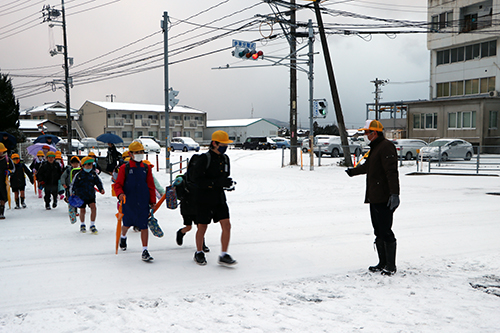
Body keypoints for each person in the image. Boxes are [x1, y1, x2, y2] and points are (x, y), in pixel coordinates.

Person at [345, 120, 400, 276]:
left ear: (374, 133)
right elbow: (368, 167)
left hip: (385, 197)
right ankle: (382, 262)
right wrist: (353, 171)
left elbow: (392, 172)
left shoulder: (386, 146)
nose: (364, 135)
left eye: (366, 132)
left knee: (385, 230)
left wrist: (395, 194)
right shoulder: (375, 147)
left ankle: (390, 265)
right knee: (378, 231)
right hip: (374, 197)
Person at [190, 130, 236, 266]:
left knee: (227, 225)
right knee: (202, 226)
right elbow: (196, 180)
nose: (225, 147)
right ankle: (199, 252)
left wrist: (227, 183)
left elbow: (224, 176)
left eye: (226, 144)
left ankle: (224, 254)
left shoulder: (225, 158)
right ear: (214, 144)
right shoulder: (204, 159)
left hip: (219, 198)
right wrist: (215, 183)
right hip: (203, 198)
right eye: (223, 144)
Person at [114, 141, 156, 262]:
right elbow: (118, 185)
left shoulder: (146, 168)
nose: (139, 154)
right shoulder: (124, 168)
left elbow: (151, 186)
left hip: (143, 202)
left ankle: (145, 250)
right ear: (130, 154)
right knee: (127, 224)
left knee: (144, 226)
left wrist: (152, 201)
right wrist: (120, 194)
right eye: (137, 152)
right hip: (129, 202)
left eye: (141, 152)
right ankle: (123, 236)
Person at [174, 174, 210, 252]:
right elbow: (180, 196)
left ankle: (202, 244)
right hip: (186, 207)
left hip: (197, 207)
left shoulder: (199, 179)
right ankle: (180, 232)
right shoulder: (183, 180)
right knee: (189, 227)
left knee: (200, 227)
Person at [71, 156, 105, 234]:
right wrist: (72, 192)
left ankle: (92, 224)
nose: (89, 166)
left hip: (90, 194)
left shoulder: (93, 174)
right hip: (81, 195)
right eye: (87, 164)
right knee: (82, 210)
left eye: (91, 164)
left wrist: (101, 189)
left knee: (93, 208)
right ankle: (82, 224)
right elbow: (74, 184)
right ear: (82, 166)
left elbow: (98, 182)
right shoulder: (79, 175)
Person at [0, 143, 15, 219]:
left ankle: (1, 212)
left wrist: (9, 172)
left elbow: (13, 169)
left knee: (3, 197)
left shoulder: (7, 160)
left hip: (3, 182)